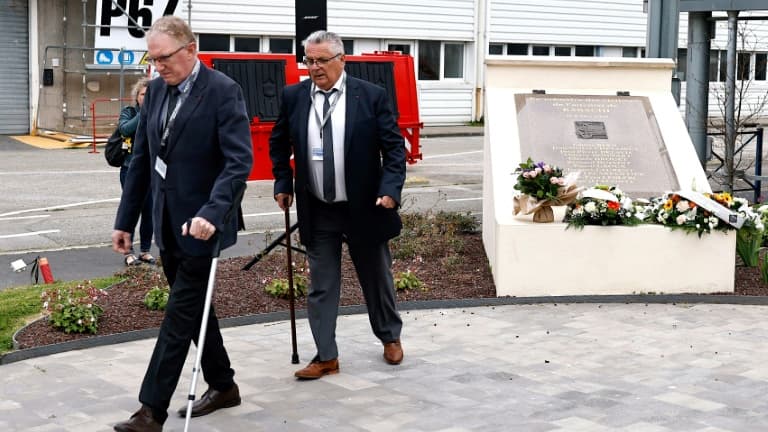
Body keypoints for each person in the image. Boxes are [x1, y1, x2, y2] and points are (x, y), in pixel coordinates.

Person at [111, 15, 252, 432]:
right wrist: (126, 221)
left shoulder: (224, 92)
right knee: (195, 310)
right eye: (152, 60)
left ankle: (150, 411)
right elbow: (141, 161)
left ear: (191, 49)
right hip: (166, 222)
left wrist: (212, 212)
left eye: (164, 58)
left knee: (178, 316)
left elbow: (237, 162)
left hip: (203, 224)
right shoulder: (154, 92)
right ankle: (224, 385)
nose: (158, 68)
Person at [269, 30, 407, 380]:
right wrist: (283, 182)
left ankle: (390, 336)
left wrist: (390, 190)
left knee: (376, 277)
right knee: (322, 283)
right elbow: (278, 142)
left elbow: (394, 151)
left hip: (365, 206)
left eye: (321, 61)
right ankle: (326, 355)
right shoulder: (294, 97)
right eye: (309, 61)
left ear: (341, 60)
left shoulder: (371, 96)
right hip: (320, 208)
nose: (314, 68)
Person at [117, 77, 155, 266]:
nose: (146, 98)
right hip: (130, 169)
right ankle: (128, 252)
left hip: (152, 170)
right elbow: (125, 129)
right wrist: (144, 113)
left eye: (150, 95)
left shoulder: (159, 113)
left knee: (150, 211)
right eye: (143, 95)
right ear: (136, 96)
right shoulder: (130, 112)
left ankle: (145, 250)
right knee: (132, 210)